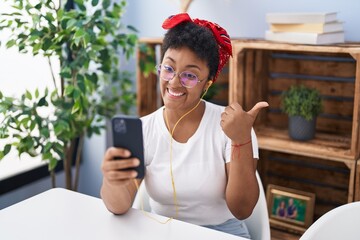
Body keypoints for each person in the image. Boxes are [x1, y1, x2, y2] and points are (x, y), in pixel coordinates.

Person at [100, 13, 268, 238]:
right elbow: (118, 207)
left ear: (207, 84)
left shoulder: (233, 127)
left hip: (222, 233)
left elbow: (242, 209)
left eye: (189, 75)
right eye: (168, 68)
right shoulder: (144, 130)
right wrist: (112, 180)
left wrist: (241, 140)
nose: (174, 81)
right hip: (165, 232)